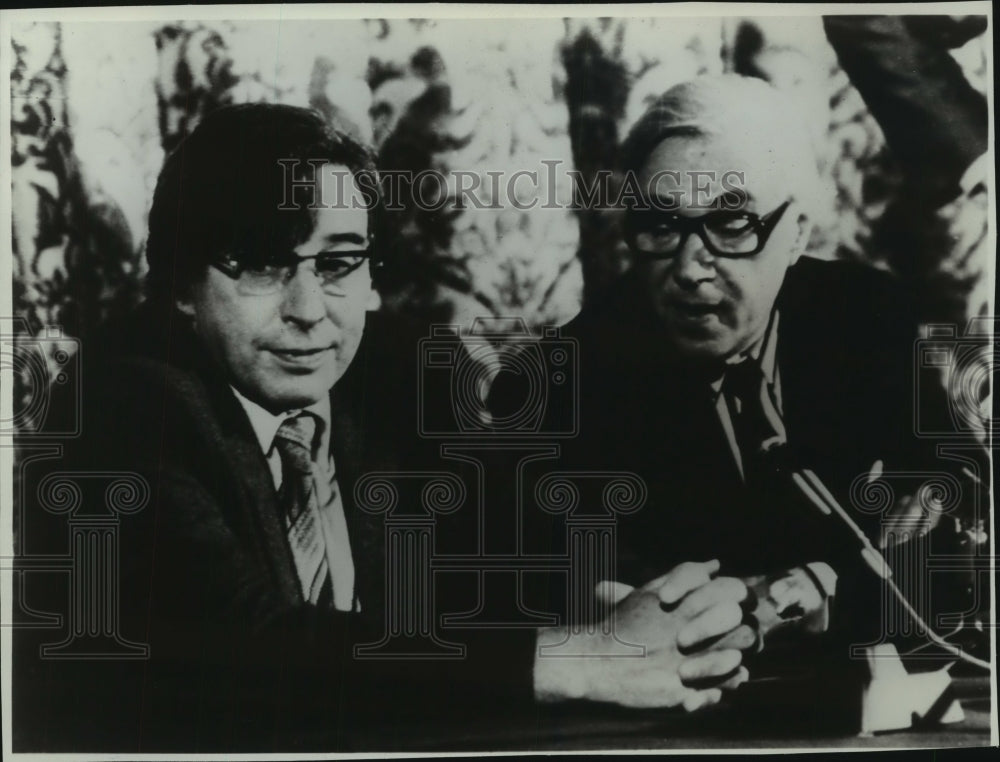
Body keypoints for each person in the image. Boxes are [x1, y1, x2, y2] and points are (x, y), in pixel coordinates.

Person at [14, 102, 759, 752]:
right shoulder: (114, 408)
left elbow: (520, 540)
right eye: (267, 267)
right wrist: (580, 658)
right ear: (178, 282)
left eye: (340, 263)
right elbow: (252, 652)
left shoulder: (404, 370)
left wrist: (631, 608)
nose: (311, 310)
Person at [491, 74, 985, 727]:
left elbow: (956, 524)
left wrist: (815, 590)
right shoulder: (552, 385)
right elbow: (606, 613)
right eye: (660, 224)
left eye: (730, 223)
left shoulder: (869, 318)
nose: (691, 267)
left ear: (798, 232)